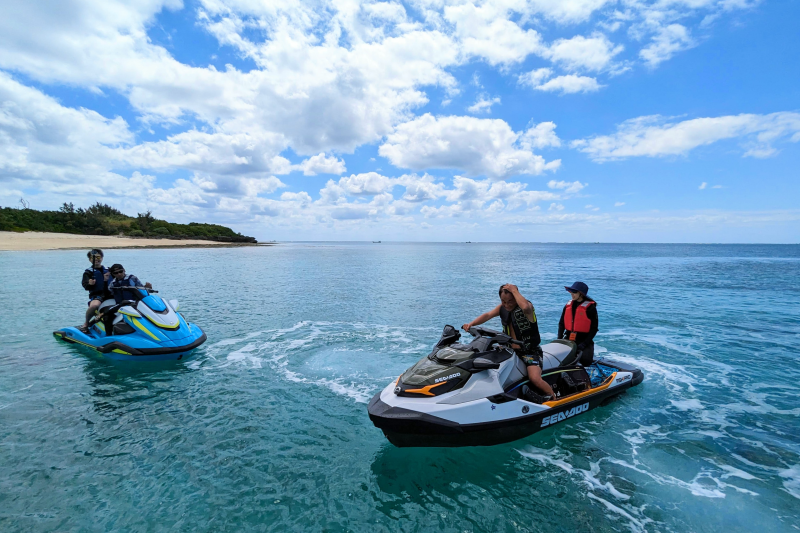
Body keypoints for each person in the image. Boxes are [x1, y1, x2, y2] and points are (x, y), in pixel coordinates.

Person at [462, 284, 556, 401]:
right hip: (509, 350)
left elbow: (526, 307)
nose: (506, 305)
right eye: (503, 301)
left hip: (529, 352)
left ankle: (553, 397)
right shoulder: (502, 308)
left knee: (534, 378)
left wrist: (514, 290)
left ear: (516, 297)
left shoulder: (527, 308)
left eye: (510, 301)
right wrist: (471, 324)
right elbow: (488, 315)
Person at [558, 281, 598, 366]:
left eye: (574, 292)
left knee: (586, 362)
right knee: (560, 359)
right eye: (571, 291)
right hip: (568, 338)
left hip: (584, 340)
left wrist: (584, 344)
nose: (572, 294)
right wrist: (559, 339)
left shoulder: (591, 308)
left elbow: (594, 329)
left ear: (581, 294)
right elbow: (561, 324)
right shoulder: (568, 305)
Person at [80, 249, 112, 331]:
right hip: (98, 295)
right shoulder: (88, 273)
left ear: (102, 258)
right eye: (93, 257)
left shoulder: (109, 270)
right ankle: (86, 323)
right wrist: (90, 284)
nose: (96, 259)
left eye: (98, 257)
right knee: (94, 306)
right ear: (90, 260)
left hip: (111, 294)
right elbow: (86, 286)